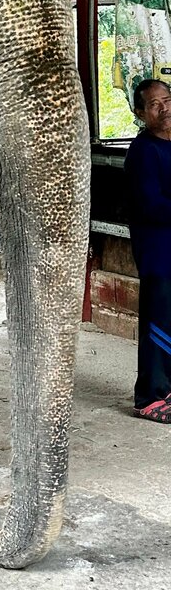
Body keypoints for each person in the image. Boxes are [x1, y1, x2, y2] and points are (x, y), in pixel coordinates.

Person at [124, 78, 171, 422]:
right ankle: (149, 397)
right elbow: (150, 206)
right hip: (158, 253)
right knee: (158, 325)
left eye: (167, 100)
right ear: (140, 113)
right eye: (154, 104)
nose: (164, 108)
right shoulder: (143, 152)